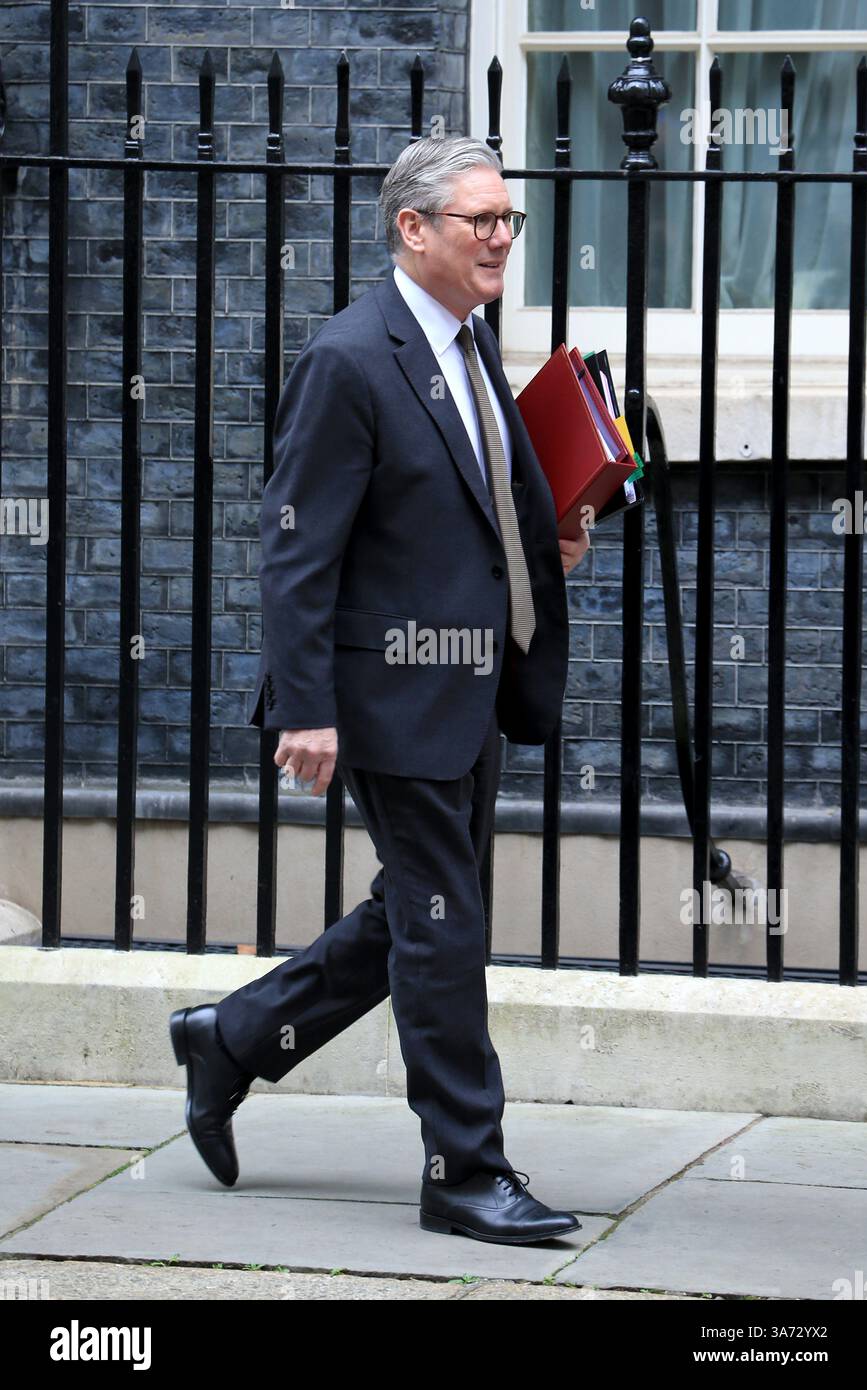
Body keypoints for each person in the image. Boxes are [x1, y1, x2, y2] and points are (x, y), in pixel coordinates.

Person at [170, 135, 590, 1247]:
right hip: (390, 695)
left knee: (415, 911)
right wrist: (304, 704)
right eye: (480, 220)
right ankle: (463, 1169)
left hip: (467, 681)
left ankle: (236, 1034)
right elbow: (295, 548)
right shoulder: (351, 358)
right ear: (413, 230)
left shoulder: (467, 343)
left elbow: (447, 508)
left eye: (509, 219)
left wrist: (539, 539)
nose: (502, 236)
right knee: (445, 932)